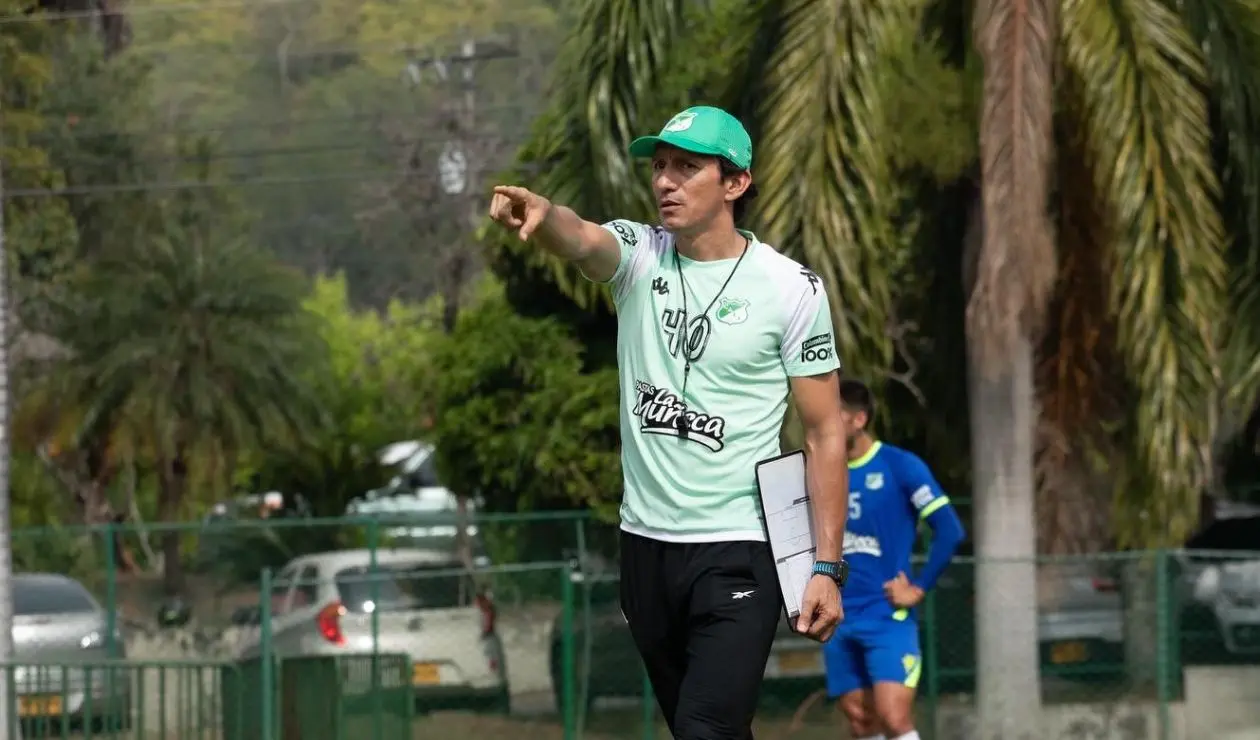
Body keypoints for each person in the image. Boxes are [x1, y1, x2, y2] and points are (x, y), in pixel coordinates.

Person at [488, 105, 850, 739]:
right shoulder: (639, 258)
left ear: (735, 182)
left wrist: (825, 566)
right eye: (659, 166)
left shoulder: (792, 288)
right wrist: (544, 217)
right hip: (645, 550)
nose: (665, 181)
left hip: (739, 548)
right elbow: (583, 236)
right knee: (703, 731)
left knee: (705, 729)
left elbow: (824, 433)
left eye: (687, 167)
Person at [822, 380, 966, 740]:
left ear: (858, 419)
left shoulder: (899, 466)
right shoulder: (822, 470)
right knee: (860, 721)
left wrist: (918, 588)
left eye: (833, 415)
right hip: (839, 617)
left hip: (887, 616)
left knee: (893, 716)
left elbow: (949, 529)